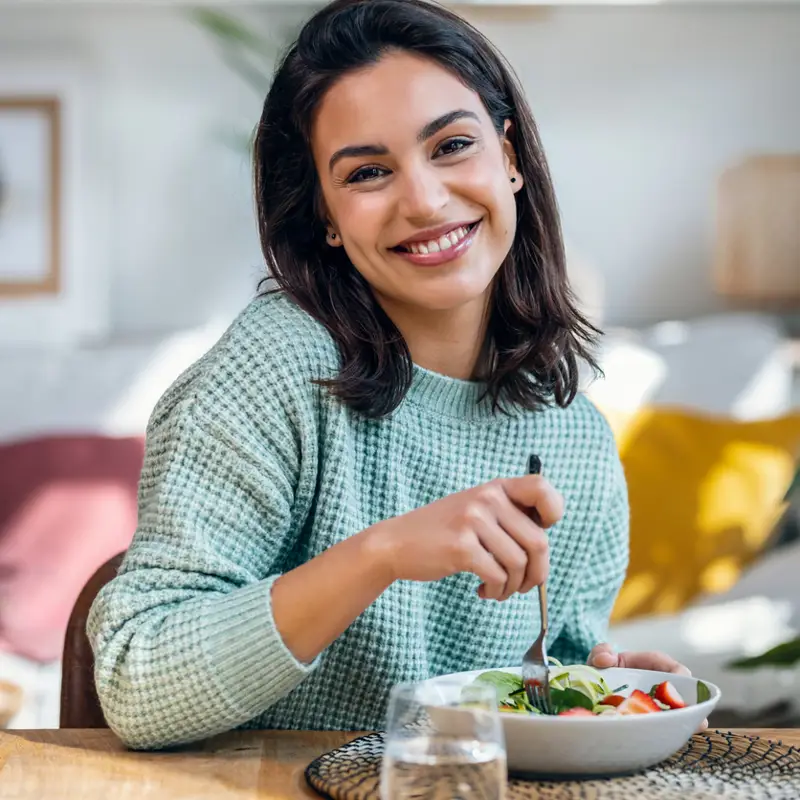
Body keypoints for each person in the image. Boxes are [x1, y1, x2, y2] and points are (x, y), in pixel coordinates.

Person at [87, 0, 690, 751]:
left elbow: (539, 677)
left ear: (509, 158)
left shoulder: (577, 442)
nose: (425, 201)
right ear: (327, 217)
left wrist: (594, 690)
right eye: (369, 172)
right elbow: (136, 683)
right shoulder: (275, 371)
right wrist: (380, 554)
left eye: (452, 146)